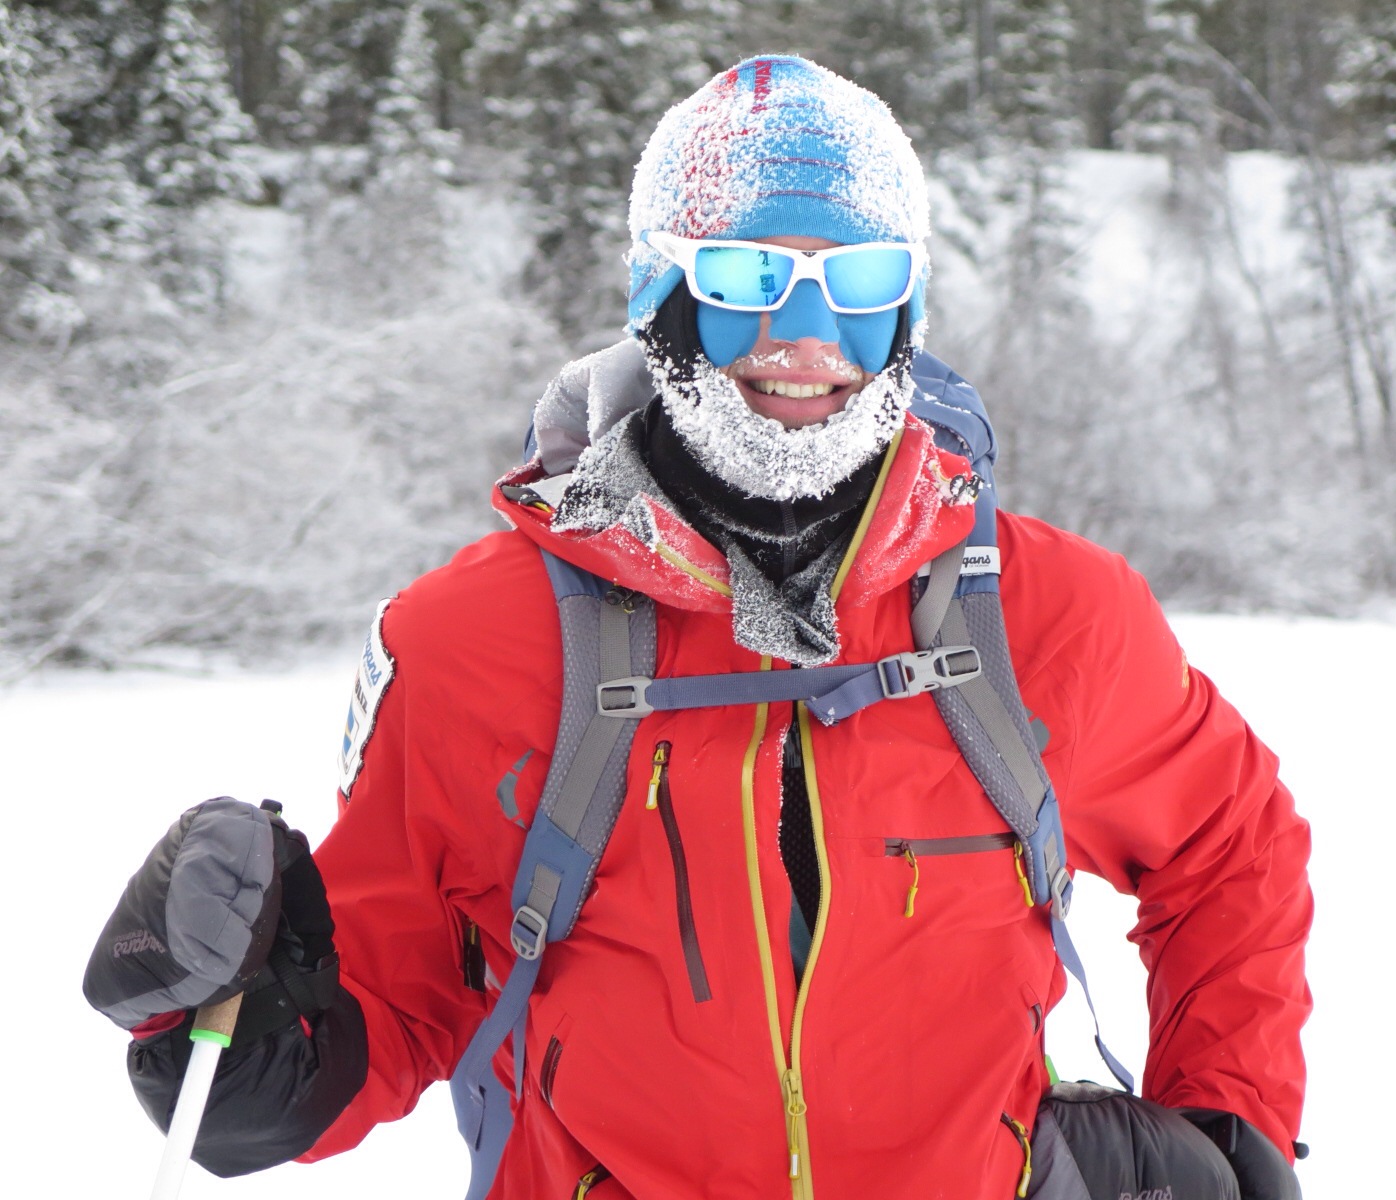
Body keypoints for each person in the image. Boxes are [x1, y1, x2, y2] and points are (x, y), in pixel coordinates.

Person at [84, 56, 1311, 1200]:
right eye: (744, 278)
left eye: (859, 280)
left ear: (908, 308)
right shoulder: (468, 640)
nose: (806, 334)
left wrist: (1229, 1112)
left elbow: (1228, 843)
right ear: (660, 295)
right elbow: (397, 989)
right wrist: (244, 1050)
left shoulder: (1051, 615)